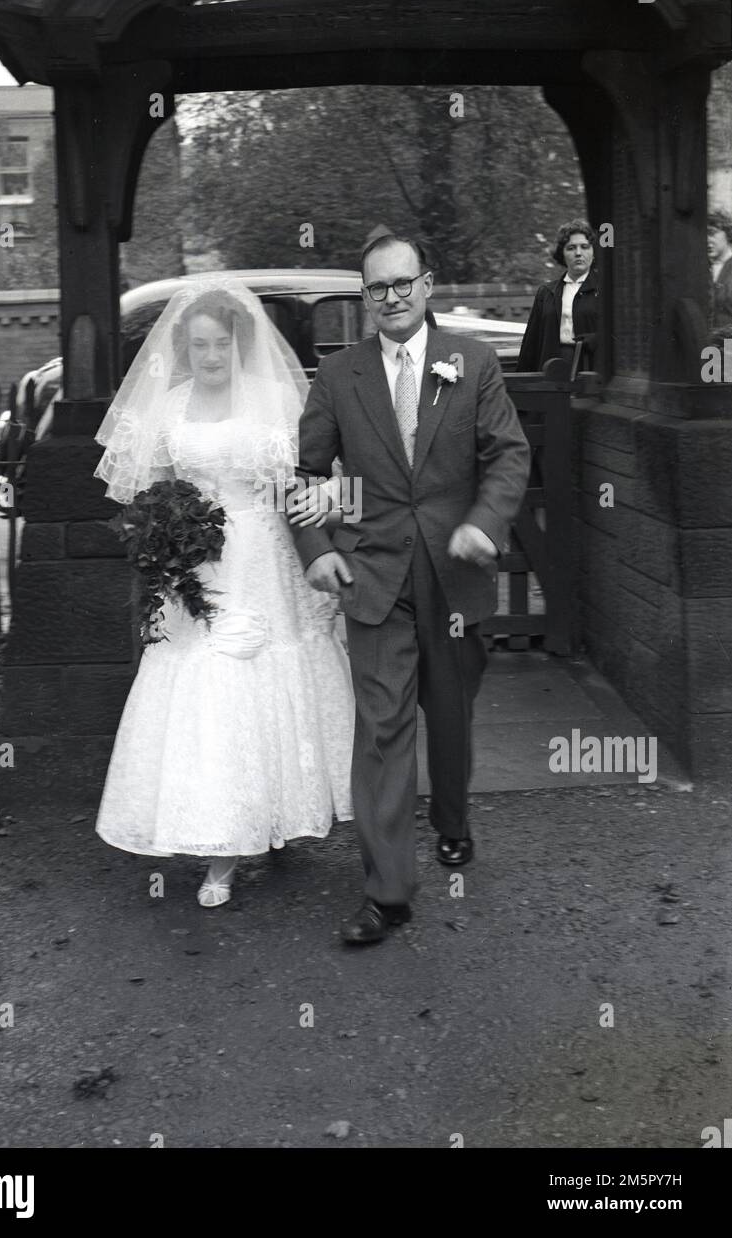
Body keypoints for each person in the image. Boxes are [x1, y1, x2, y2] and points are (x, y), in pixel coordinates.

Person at [286, 233, 530, 945]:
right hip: (373, 576)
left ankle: (451, 820)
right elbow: (302, 477)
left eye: (401, 284)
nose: (389, 298)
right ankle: (387, 893)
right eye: (375, 288)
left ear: (427, 285)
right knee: (383, 730)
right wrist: (316, 548)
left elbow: (507, 454)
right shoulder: (338, 376)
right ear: (363, 297)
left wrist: (485, 523)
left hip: (454, 576)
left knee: (449, 716)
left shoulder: (473, 361)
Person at [92, 277, 355, 907]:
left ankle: (277, 817)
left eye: (221, 345)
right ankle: (221, 845)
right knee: (207, 681)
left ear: (240, 344)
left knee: (269, 670)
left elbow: (317, 486)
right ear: (185, 349)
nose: (211, 357)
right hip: (199, 566)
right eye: (200, 346)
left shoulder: (277, 401)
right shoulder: (171, 405)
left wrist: (334, 512)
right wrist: (163, 536)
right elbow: (146, 490)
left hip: (264, 559)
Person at [517, 220, 601, 373]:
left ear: (593, 252)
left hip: (589, 367)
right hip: (551, 366)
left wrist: (597, 339)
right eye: (571, 248)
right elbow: (532, 341)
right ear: (562, 254)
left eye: (584, 247)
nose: (578, 253)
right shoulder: (546, 291)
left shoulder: (604, 291)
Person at [707, 209, 732, 343]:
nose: (706, 240)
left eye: (711, 233)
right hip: (706, 350)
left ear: (727, 233)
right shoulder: (700, 268)